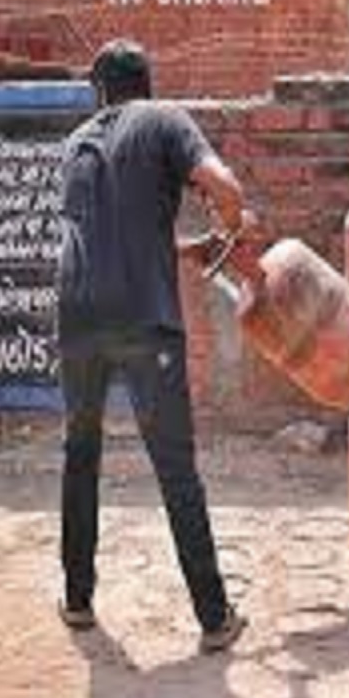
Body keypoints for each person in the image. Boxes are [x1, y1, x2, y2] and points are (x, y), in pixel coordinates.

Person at [56, 38, 252, 654]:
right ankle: (214, 618)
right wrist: (232, 225)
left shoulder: (76, 143)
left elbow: (112, 235)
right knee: (175, 466)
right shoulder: (165, 119)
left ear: (99, 92)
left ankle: (78, 600)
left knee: (80, 452)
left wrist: (188, 249)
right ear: (147, 84)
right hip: (145, 320)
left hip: (77, 316)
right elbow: (224, 186)